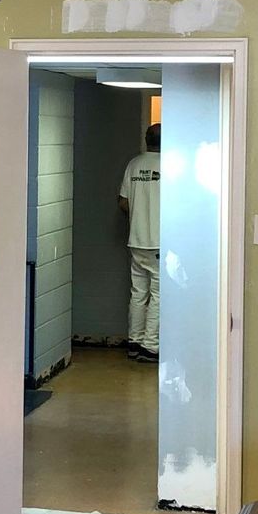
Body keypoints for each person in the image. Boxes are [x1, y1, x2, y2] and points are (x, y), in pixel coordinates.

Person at [118, 122, 160, 364]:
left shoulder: (134, 164)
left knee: (138, 293)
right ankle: (150, 347)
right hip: (158, 241)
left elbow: (122, 202)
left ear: (146, 139)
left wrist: (138, 217)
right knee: (158, 295)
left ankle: (134, 342)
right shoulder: (170, 165)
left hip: (136, 240)